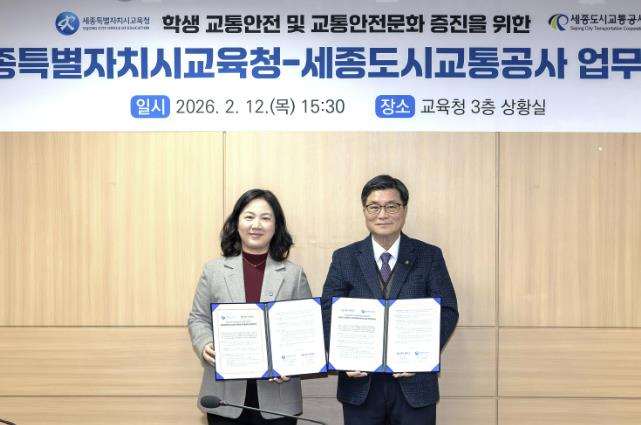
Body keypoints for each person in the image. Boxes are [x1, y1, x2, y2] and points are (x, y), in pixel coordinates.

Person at [321, 175, 459, 425]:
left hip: (414, 382)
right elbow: (327, 310)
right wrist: (342, 357)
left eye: (391, 206)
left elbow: (447, 310)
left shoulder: (429, 255)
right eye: (374, 206)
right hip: (360, 383)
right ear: (364, 211)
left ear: (404, 210)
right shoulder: (344, 257)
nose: (382, 214)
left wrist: (422, 355)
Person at [188, 189, 312, 425]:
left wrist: (293, 363)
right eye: (249, 217)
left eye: (265, 218)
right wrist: (205, 344)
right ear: (237, 223)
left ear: (276, 226)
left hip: (279, 398)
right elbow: (198, 318)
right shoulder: (213, 271)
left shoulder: (294, 275)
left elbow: (305, 330)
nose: (256, 225)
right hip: (225, 396)